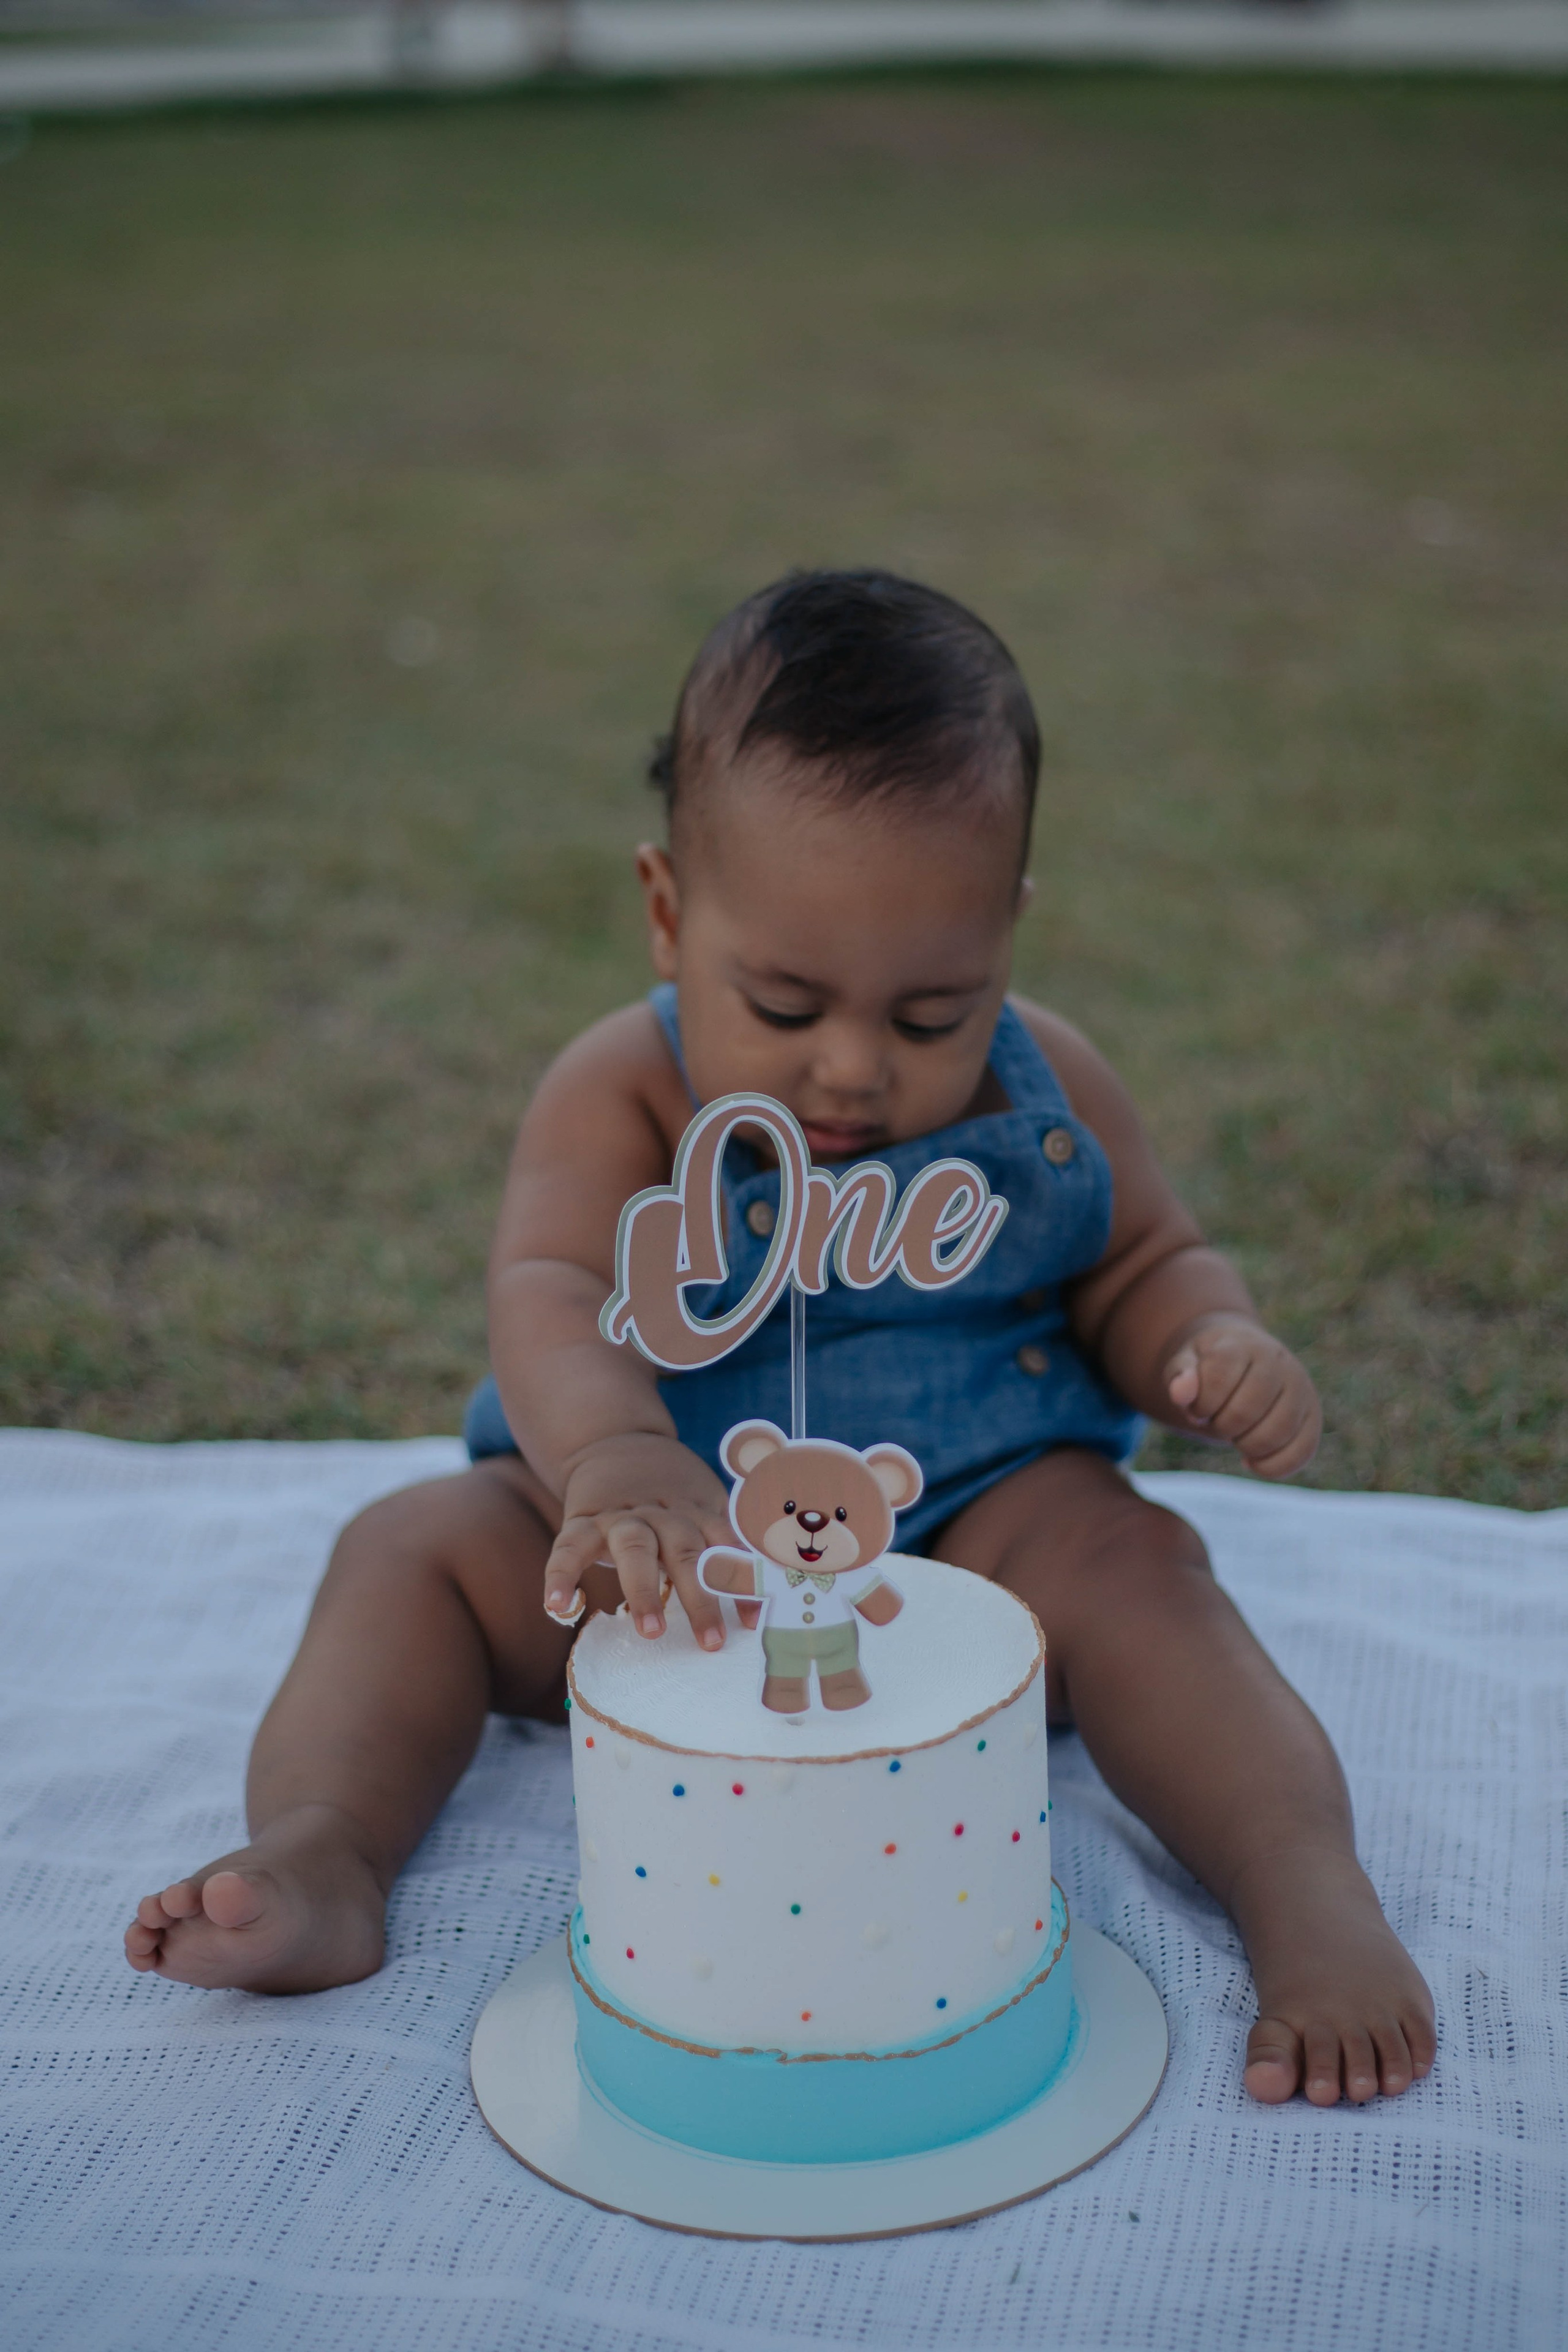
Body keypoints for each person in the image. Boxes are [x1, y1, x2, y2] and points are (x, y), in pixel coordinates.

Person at [124, 570, 1436, 2108]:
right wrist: (615, 1456)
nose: (855, 1068)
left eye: (931, 1013)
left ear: (1005, 934)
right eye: (786, 1004)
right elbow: (549, 1286)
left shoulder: (1047, 1088)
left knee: (1138, 1565)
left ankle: (1302, 1889)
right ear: (669, 914)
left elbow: (1138, 1259)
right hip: (662, 1561)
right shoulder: (620, 1088)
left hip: (978, 1541)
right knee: (410, 1549)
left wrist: (1203, 1339)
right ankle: (328, 1848)